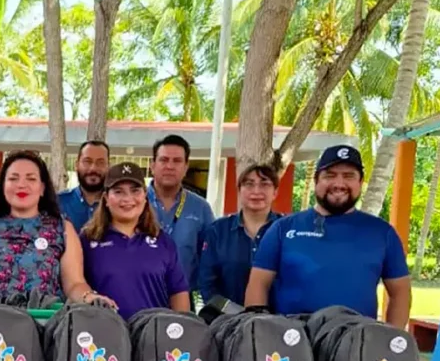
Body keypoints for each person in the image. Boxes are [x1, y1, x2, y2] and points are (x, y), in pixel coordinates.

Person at [244, 145, 412, 328]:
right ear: (317, 180)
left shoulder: (382, 233)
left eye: (349, 176)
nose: (339, 183)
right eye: (330, 175)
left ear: (360, 182)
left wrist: (392, 342)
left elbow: (400, 293)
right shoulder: (282, 229)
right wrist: (259, 334)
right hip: (293, 342)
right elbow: (258, 284)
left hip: (356, 343)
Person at [0, 150, 111, 307]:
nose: (22, 185)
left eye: (31, 178)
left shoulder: (62, 229)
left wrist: (90, 297)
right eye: (14, 178)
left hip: (46, 321)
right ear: (3, 186)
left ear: (42, 187)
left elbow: (75, 284)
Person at [81, 162, 189, 319]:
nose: (127, 198)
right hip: (104, 335)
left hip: (153, 336)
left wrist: (182, 331)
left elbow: (178, 292)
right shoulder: (87, 241)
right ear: (106, 199)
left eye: (135, 191)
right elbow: (75, 287)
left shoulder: (163, 242)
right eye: (118, 192)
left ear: (145, 196)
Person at [196, 163, 283, 306]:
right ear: (239, 191)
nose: (256, 191)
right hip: (227, 322)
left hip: (279, 322)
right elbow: (207, 285)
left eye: (264, 184)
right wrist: (233, 314)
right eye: (249, 184)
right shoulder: (218, 231)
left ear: (275, 192)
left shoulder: (287, 231)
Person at [147, 135, 214, 289]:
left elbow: (209, 260)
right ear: (152, 165)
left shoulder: (201, 208)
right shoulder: (134, 203)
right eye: (163, 160)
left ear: (185, 167)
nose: (169, 166)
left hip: (183, 299)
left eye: (177, 161)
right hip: (140, 296)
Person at [59, 140, 110, 230]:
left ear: (108, 167)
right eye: (87, 162)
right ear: (76, 165)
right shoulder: (58, 202)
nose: (93, 168)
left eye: (100, 162)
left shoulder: (117, 204)